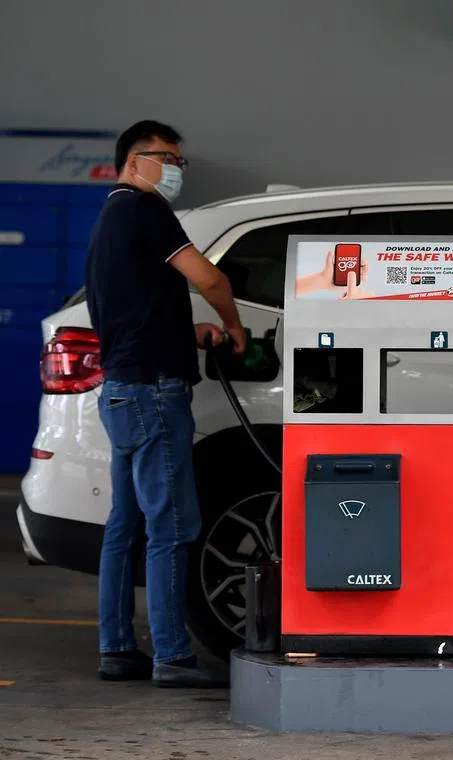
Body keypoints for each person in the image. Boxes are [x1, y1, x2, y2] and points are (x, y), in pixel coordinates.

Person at [86, 120, 247, 687]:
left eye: (180, 161)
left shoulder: (110, 218)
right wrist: (233, 325)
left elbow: (139, 307)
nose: (175, 169)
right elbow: (211, 279)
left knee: (125, 525)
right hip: (155, 394)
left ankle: (118, 648)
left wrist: (193, 333)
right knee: (173, 527)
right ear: (134, 160)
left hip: (124, 390)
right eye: (166, 158)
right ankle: (173, 656)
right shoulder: (146, 210)